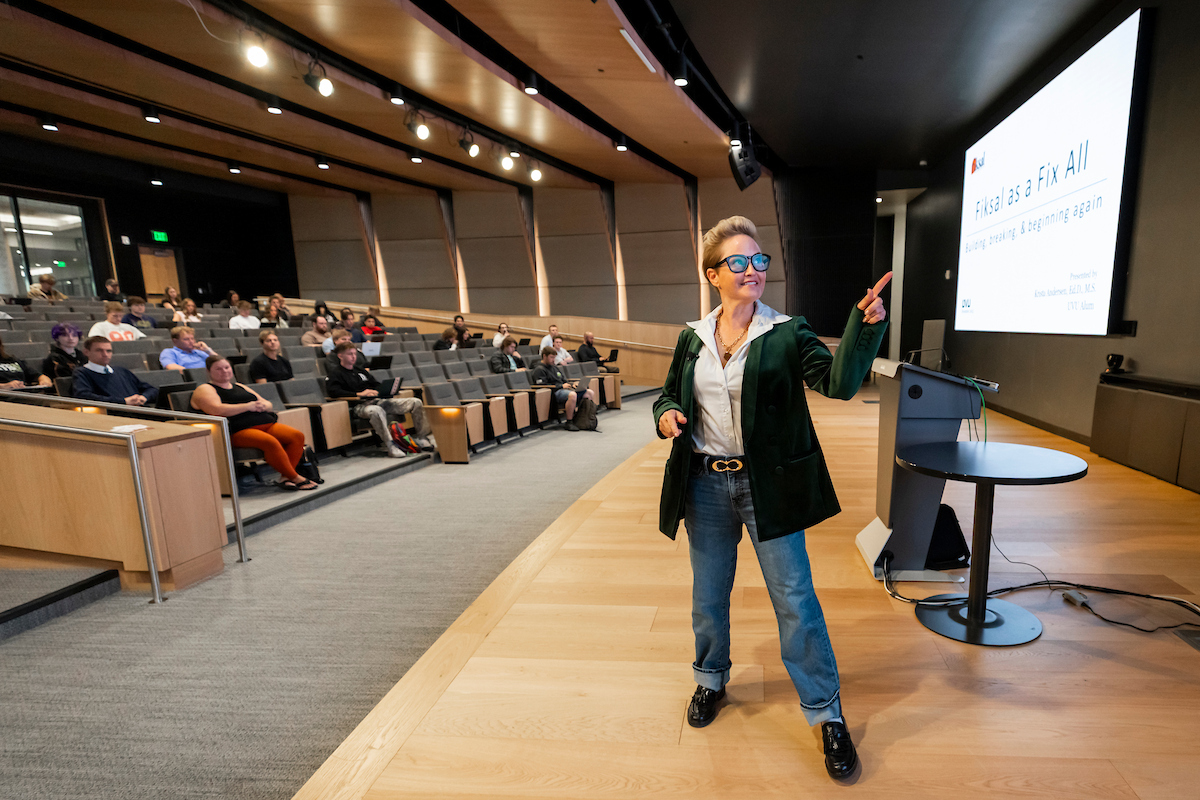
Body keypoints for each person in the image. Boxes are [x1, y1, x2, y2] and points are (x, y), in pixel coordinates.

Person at [652, 215, 890, 780]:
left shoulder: (786, 332)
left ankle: (825, 713)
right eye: (739, 262)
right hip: (706, 483)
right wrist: (667, 416)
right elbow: (665, 396)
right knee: (709, 594)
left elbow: (837, 382)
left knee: (795, 598)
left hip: (768, 487)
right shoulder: (692, 337)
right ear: (713, 274)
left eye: (759, 261)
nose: (753, 270)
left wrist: (863, 326)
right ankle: (710, 679)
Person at [190, 355, 316, 491]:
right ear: (208, 372)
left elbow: (267, 403)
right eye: (218, 369)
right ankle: (295, 477)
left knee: (296, 436)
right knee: (270, 442)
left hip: (265, 424)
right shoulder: (205, 389)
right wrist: (247, 406)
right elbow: (217, 409)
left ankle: (286, 478)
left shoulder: (238, 386)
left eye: (227, 367)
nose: (224, 371)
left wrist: (263, 406)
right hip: (237, 430)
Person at [326, 341, 436, 456]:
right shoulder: (335, 373)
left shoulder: (360, 371)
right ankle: (391, 445)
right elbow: (334, 392)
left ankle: (422, 438)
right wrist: (359, 394)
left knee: (415, 402)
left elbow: (375, 383)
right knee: (376, 411)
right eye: (350, 354)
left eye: (354, 354)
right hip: (359, 406)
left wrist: (379, 390)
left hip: (378, 401)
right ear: (340, 356)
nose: (353, 357)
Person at [71, 336, 158, 406]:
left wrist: (144, 397)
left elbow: (151, 389)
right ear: (86, 352)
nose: (105, 354)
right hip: (113, 416)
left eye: (109, 351)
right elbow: (84, 396)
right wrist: (123, 401)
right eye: (99, 350)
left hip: (141, 411)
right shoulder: (82, 373)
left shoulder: (121, 371)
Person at [530, 347, 594, 431]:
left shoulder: (554, 367)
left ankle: (584, 418)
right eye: (551, 357)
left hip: (563, 389)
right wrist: (561, 386)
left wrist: (572, 384)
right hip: (554, 392)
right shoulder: (539, 369)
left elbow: (563, 380)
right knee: (572, 395)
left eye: (554, 357)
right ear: (544, 356)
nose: (554, 360)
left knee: (589, 392)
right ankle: (569, 422)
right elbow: (542, 385)